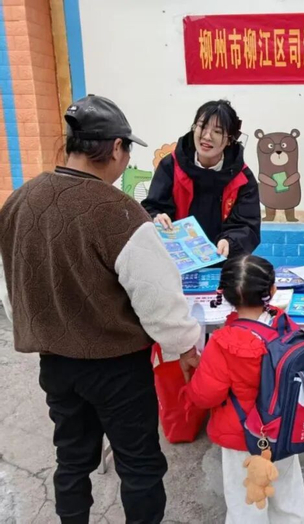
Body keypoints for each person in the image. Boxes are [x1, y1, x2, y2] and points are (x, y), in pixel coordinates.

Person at [0, 95, 202, 524]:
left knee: (71, 459)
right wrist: (185, 347)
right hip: (117, 368)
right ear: (115, 148)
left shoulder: (20, 201)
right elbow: (158, 297)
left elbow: (12, 284)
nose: (126, 162)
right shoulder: (118, 212)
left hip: (55, 364)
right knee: (139, 463)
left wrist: (38, 328)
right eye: (127, 151)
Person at [182, 254, 304, 524]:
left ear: (224, 294)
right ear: (272, 290)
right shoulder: (285, 326)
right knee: (288, 496)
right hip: (283, 431)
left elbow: (205, 395)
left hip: (241, 436)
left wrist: (194, 376)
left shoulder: (222, 342)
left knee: (246, 503)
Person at [142, 99, 261, 258]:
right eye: (202, 127)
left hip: (222, 261)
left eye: (217, 131)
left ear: (229, 139)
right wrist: (157, 217)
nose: (207, 136)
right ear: (194, 128)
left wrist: (230, 242)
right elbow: (152, 207)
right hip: (176, 260)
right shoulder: (171, 166)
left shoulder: (243, 178)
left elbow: (247, 226)